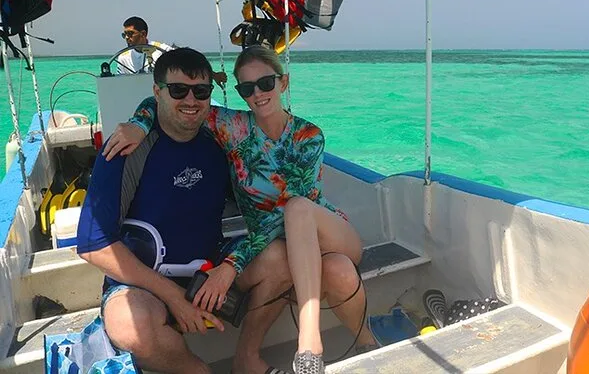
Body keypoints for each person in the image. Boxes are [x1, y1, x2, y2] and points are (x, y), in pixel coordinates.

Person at [103, 45, 379, 374]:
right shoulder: (233, 128)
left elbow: (284, 215)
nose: (258, 94)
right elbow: (169, 101)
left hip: (326, 233)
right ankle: (368, 343)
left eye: (266, 83)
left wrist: (233, 264)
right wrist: (138, 124)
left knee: (297, 209)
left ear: (283, 83)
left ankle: (309, 342)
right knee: (339, 271)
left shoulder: (308, 136)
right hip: (286, 248)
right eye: (247, 88)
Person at [76, 48, 232, 374]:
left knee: (280, 262)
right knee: (129, 325)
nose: (190, 100)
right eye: (178, 90)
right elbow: (94, 246)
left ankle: (248, 359)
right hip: (145, 284)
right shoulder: (125, 149)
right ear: (157, 92)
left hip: (209, 274)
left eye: (201, 91)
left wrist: (228, 269)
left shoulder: (220, 142)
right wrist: (174, 297)